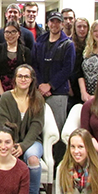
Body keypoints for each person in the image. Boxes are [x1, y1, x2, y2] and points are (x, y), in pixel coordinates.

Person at [0, 64, 44, 194]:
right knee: (6, 155)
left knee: (32, 159)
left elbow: (37, 125)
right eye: (20, 76)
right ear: (15, 79)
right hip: (10, 141)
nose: (23, 79)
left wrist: (23, 146)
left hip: (32, 141)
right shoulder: (6, 97)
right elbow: (4, 123)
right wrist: (12, 144)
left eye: (27, 76)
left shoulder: (38, 98)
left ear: (32, 80)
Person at [32, 11, 75, 172]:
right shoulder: (40, 41)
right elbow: (34, 64)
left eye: (58, 22)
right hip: (39, 91)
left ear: (62, 24)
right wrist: (41, 85)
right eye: (52, 22)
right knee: (40, 126)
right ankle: (41, 161)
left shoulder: (67, 44)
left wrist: (50, 85)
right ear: (48, 23)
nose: (55, 25)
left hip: (58, 93)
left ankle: (58, 167)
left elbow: (67, 69)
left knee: (57, 129)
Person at [0, 21, 31, 96]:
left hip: (20, 92)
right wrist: (3, 95)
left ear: (19, 33)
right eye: (7, 32)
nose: (10, 35)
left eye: (13, 32)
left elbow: (28, 74)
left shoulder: (25, 51)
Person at [69, 17, 90, 108]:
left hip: (88, 85)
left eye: (84, 27)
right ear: (75, 28)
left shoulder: (93, 44)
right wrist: (68, 87)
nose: (82, 29)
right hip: (72, 86)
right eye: (79, 26)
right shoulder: (68, 44)